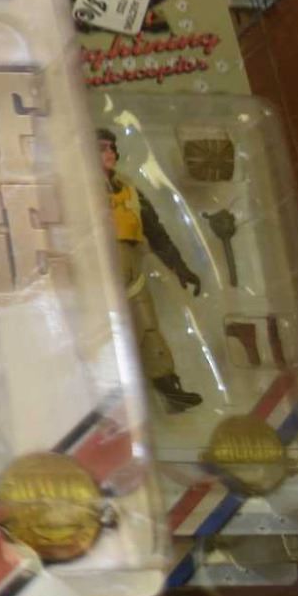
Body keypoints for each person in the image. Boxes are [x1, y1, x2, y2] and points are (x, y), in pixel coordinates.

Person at [97, 128, 205, 412]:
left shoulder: (130, 190)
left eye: (111, 147)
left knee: (148, 327)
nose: (109, 153)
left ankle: (168, 388)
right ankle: (102, 397)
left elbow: (156, 233)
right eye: (102, 148)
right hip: (96, 275)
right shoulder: (78, 191)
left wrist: (180, 268)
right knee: (100, 336)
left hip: (132, 270)